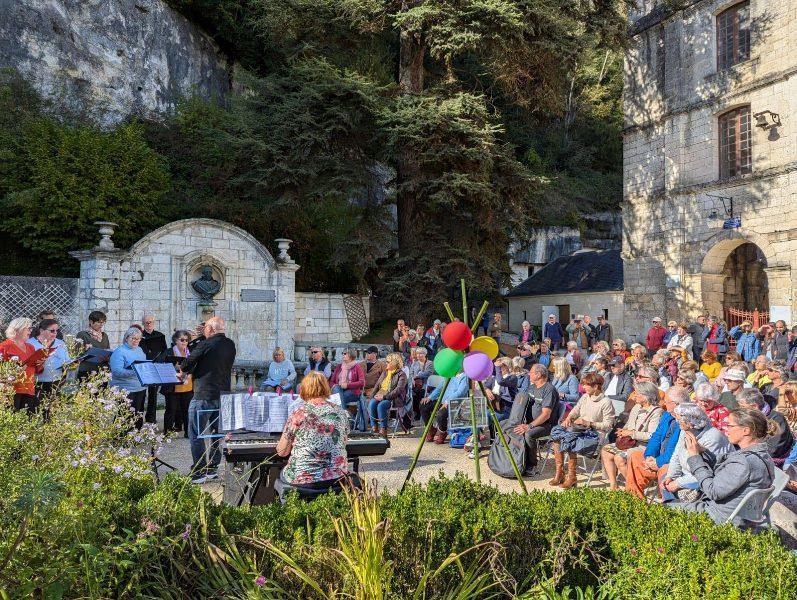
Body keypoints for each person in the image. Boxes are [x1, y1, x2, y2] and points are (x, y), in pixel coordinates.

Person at [674, 408, 776, 526]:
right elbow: (726, 469)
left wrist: (694, 458)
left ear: (745, 430)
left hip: (718, 517)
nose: (726, 429)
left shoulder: (745, 462)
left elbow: (713, 491)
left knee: (662, 509)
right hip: (731, 515)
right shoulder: (762, 455)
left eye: (730, 426)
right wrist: (704, 452)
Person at [274, 371, 360, 498]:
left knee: (280, 472)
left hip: (304, 480)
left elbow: (282, 452)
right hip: (337, 477)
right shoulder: (342, 413)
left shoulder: (299, 413)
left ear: (304, 389)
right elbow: (342, 442)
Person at [180, 317, 237, 484]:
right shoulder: (230, 344)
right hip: (222, 395)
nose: (203, 330)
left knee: (195, 433)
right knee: (215, 434)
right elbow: (208, 358)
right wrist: (201, 336)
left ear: (211, 329)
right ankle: (212, 468)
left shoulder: (206, 344)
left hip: (203, 395)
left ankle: (198, 472)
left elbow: (187, 362)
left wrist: (198, 339)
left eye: (205, 328)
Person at [548, 372, 614, 489]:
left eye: (585, 385)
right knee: (556, 434)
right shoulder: (585, 397)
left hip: (594, 433)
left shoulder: (606, 402)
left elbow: (608, 424)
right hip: (579, 429)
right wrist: (569, 418)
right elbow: (575, 410)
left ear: (595, 386)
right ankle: (560, 472)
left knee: (570, 439)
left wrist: (589, 423)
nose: (583, 387)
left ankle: (572, 476)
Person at [661, 402, 733, 502]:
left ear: (690, 423)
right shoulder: (685, 431)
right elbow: (676, 455)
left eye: (679, 419)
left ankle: (672, 508)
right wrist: (671, 476)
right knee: (665, 479)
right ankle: (669, 507)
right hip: (687, 475)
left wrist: (678, 483)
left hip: (706, 483)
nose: (676, 422)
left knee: (675, 495)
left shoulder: (712, 438)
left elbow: (707, 473)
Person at [624, 386, 688, 499]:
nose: (663, 403)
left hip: (673, 462)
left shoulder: (685, 419)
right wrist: (649, 456)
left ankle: (666, 505)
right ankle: (634, 500)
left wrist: (658, 462)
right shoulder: (667, 415)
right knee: (635, 456)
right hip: (658, 458)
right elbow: (656, 437)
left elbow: (675, 449)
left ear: (675, 404)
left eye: (666, 401)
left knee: (666, 469)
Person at [600, 382, 662, 490]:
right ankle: (613, 485)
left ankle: (634, 487)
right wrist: (623, 431)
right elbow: (629, 425)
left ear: (647, 396)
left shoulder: (656, 412)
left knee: (619, 458)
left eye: (637, 394)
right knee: (605, 450)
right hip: (630, 443)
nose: (634, 396)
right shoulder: (636, 407)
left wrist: (631, 433)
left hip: (644, 446)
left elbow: (652, 436)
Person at [510, 364, 559, 473]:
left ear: (538, 374)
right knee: (511, 428)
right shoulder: (532, 387)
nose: (529, 374)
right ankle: (518, 459)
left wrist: (529, 426)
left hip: (546, 425)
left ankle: (531, 465)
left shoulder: (549, 389)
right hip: (530, 422)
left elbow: (546, 415)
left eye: (531, 372)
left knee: (528, 434)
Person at [0, 317, 47, 413]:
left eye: (31, 328)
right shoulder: (4, 347)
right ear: (18, 329)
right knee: (12, 419)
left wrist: (41, 363)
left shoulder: (30, 347)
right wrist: (16, 370)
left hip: (29, 388)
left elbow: (36, 369)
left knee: (27, 420)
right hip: (11, 390)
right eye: (28, 328)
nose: (31, 331)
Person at [736, 388, 794, 464]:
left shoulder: (776, 419)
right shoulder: (748, 417)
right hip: (751, 455)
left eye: (742, 407)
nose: (740, 409)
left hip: (774, 462)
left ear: (754, 406)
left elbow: (774, 449)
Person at [109, 327, 147, 427]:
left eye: (138, 339)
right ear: (126, 338)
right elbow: (116, 371)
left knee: (138, 414)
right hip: (126, 389)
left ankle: (136, 438)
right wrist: (135, 372)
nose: (135, 341)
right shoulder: (119, 351)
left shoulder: (139, 349)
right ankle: (120, 438)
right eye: (133, 338)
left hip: (140, 387)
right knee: (124, 415)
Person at [158, 330, 194, 435]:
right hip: (172, 387)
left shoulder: (191, 352)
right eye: (182, 340)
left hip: (188, 387)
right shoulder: (169, 352)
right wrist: (173, 367)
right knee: (171, 410)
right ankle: (167, 433)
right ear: (175, 340)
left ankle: (188, 432)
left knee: (187, 411)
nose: (184, 342)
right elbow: (160, 364)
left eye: (186, 340)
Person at [420, 371, 471, 444]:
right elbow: (440, 387)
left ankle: (442, 432)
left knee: (441, 414)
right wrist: (430, 397)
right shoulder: (450, 373)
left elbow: (461, 392)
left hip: (455, 403)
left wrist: (448, 401)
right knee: (423, 405)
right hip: (443, 401)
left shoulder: (465, 376)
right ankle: (431, 429)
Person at [28, 318, 69, 409]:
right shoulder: (30, 343)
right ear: (42, 330)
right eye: (52, 331)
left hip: (56, 381)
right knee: (38, 409)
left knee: (53, 410)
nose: (55, 333)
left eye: (57, 331)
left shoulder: (60, 343)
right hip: (37, 382)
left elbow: (67, 360)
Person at [368, 352, 408, 436]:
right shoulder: (385, 372)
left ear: (394, 363)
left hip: (394, 398)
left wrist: (384, 397)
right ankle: (374, 427)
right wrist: (373, 395)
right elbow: (377, 385)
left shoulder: (402, 374)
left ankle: (383, 429)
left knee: (381, 405)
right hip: (381, 394)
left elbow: (398, 390)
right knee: (371, 403)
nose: (386, 363)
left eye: (388, 361)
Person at [139, 312, 168, 424]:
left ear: (154, 322)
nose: (148, 324)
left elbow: (164, 350)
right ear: (143, 323)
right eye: (146, 322)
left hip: (155, 366)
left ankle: (151, 418)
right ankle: (139, 418)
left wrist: (160, 360)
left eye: (150, 322)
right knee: (141, 393)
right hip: (143, 367)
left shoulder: (160, 335)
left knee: (153, 393)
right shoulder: (139, 335)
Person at [75, 310, 111, 379]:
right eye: (99, 322)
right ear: (91, 322)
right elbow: (77, 354)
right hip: (87, 371)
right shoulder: (82, 335)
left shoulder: (104, 335)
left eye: (103, 322)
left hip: (103, 371)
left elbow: (108, 350)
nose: (102, 324)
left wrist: (107, 357)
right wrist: (87, 352)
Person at [330, 348, 365, 415]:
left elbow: (362, 382)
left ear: (351, 355)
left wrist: (348, 385)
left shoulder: (356, 367)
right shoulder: (339, 366)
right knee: (337, 390)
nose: (343, 355)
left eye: (345, 353)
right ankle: (346, 416)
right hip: (339, 390)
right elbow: (332, 381)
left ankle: (343, 417)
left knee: (335, 399)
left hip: (353, 392)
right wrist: (335, 386)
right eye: (342, 353)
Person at [408, 347, 434, 417]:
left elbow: (428, 373)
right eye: (417, 354)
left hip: (426, 384)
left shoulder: (430, 363)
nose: (419, 355)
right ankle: (416, 412)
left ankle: (421, 412)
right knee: (412, 394)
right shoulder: (414, 364)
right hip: (415, 384)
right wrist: (412, 379)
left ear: (425, 354)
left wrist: (417, 375)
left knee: (421, 392)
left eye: (421, 353)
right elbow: (410, 374)